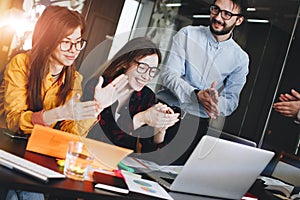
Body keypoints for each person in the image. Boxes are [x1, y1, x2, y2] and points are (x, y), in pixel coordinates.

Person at [0, 6, 126, 200]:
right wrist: (58, 114)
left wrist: (97, 107)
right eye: (66, 42)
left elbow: (70, 134)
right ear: (48, 40)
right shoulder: (22, 64)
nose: (74, 50)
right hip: (8, 147)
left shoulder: (74, 78)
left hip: (37, 154)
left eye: (78, 43)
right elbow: (14, 121)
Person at [157, 0, 249, 164]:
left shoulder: (240, 59)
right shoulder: (187, 34)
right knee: (142, 168)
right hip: (163, 111)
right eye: (216, 10)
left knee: (174, 177)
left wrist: (214, 103)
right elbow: (169, 74)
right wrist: (196, 94)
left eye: (227, 14)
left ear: (239, 20)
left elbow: (232, 100)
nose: (218, 17)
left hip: (196, 124)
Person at [81, 37, 179, 154]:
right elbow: (100, 138)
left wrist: (159, 129)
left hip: (116, 165)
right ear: (125, 63)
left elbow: (146, 154)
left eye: (152, 71)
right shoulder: (99, 86)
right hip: (84, 155)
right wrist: (141, 118)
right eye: (142, 68)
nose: (147, 76)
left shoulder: (147, 97)